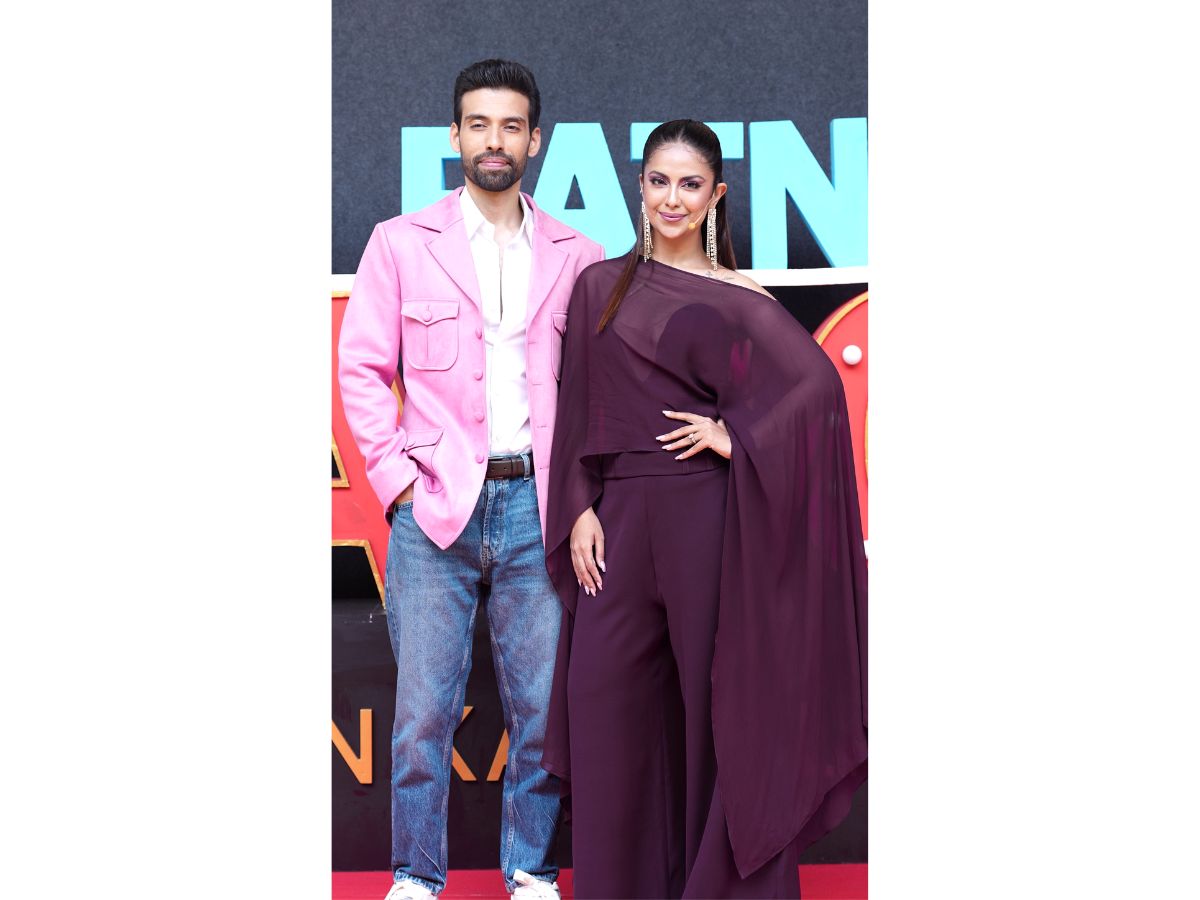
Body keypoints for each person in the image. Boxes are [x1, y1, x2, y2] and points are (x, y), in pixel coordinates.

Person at [541, 120, 868, 898]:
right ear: (640, 186)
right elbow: (577, 407)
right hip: (617, 524)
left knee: (717, 711)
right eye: (659, 181)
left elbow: (818, 393)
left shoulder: (739, 297)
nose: (673, 199)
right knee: (606, 709)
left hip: (707, 521)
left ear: (716, 195)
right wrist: (579, 507)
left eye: (690, 185)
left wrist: (736, 435)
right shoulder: (598, 286)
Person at [338, 59, 605, 900]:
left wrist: (582, 499)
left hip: (540, 507)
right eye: (479, 124)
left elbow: (596, 390)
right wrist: (398, 486)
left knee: (541, 710)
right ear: (454, 135)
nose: (496, 141)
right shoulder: (398, 242)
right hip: (433, 510)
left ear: (536, 140)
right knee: (421, 713)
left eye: (511, 126)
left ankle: (531, 872)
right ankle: (417, 877)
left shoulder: (579, 255)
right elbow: (361, 370)